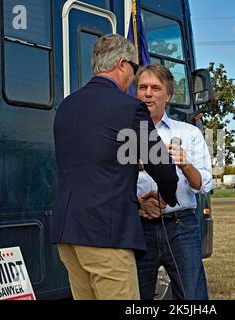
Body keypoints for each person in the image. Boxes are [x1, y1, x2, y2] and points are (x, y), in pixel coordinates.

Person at [52, 35, 178, 300]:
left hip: (67, 232)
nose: (134, 79)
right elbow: (161, 165)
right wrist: (166, 195)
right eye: (134, 70)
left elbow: (97, 162)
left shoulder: (66, 106)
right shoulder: (129, 108)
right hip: (106, 234)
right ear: (122, 64)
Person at [135, 64, 213, 300]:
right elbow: (114, 181)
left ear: (168, 95)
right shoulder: (125, 133)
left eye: (155, 88)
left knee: (192, 296)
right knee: (135, 297)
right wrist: (140, 203)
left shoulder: (189, 133)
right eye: (142, 87)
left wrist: (186, 165)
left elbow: (204, 185)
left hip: (181, 227)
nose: (148, 93)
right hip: (139, 227)